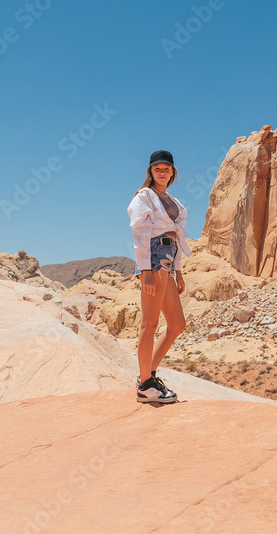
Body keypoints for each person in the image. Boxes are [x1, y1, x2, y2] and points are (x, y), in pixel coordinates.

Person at [127, 149, 192, 403]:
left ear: (173, 172)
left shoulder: (173, 201)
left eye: (166, 168)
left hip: (167, 259)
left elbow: (175, 237)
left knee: (177, 324)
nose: (162, 171)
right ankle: (145, 386)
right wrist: (145, 271)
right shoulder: (145, 196)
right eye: (157, 168)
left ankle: (149, 374)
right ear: (150, 172)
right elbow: (140, 234)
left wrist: (178, 272)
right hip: (152, 259)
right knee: (149, 324)